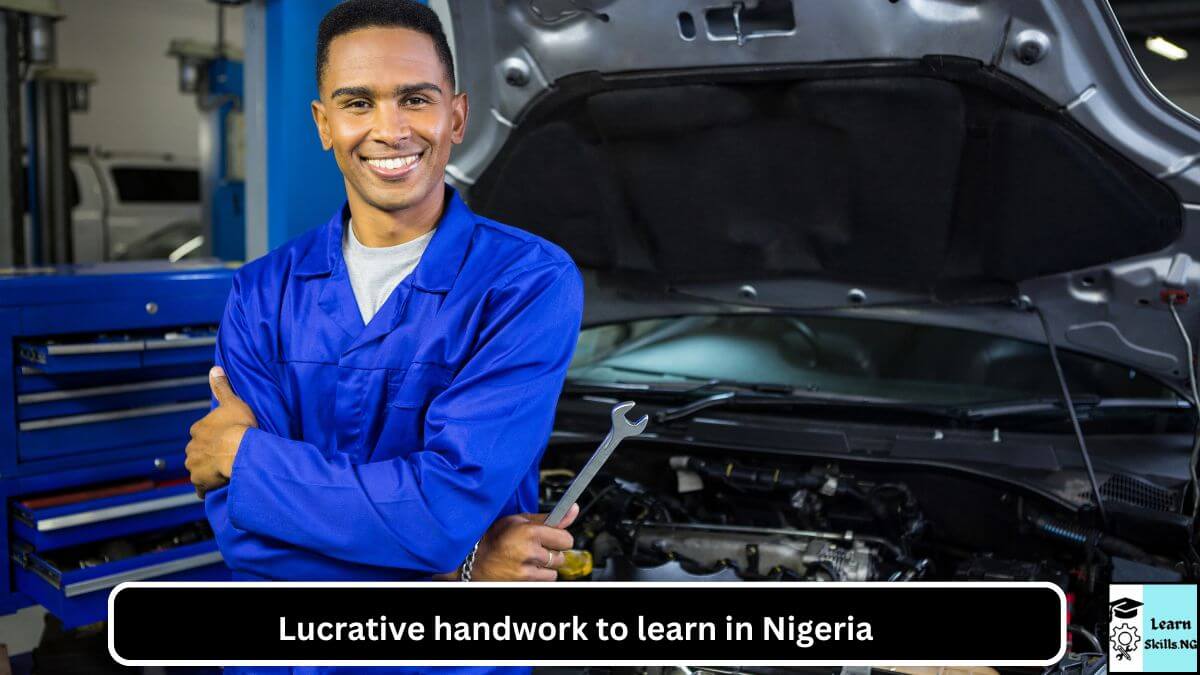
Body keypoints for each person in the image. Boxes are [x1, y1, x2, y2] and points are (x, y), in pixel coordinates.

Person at [182, 0, 583, 668]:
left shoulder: (527, 282)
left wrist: (248, 459)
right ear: (323, 123)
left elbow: (441, 513)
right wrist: (459, 577)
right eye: (358, 102)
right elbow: (244, 537)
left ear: (456, 114)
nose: (389, 129)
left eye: (415, 99)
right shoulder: (261, 292)